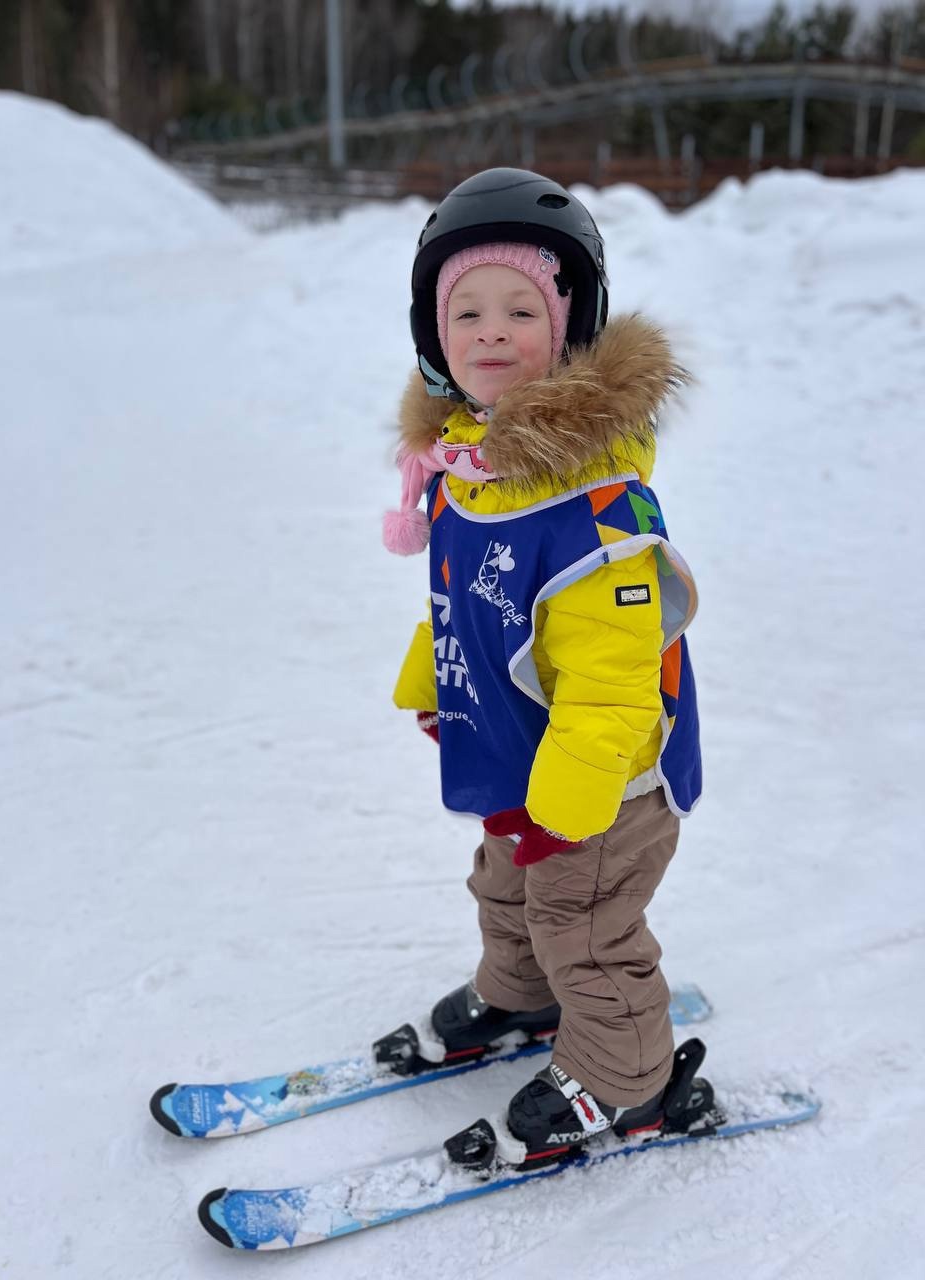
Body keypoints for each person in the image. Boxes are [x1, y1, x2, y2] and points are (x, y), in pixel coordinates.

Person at [378, 168, 703, 1171]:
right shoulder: (469, 472)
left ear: (571, 328)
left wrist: (575, 797)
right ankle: (522, 996)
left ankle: (629, 1075)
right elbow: (460, 599)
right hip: (525, 755)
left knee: (584, 922)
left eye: (522, 310)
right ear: (434, 336)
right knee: (506, 887)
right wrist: (437, 686)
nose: (491, 332)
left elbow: (614, 678)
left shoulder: (594, 510)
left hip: (606, 781)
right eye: (465, 311)